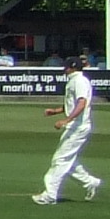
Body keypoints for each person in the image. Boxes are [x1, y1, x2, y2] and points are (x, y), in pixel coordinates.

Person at [36, 51, 99, 204]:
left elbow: (82, 103)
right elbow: (72, 104)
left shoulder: (79, 81)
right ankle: (90, 182)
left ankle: (50, 195)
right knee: (67, 160)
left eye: (66, 67)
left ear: (72, 67)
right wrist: (56, 111)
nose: (64, 69)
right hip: (74, 125)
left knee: (60, 160)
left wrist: (66, 120)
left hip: (78, 126)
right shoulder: (73, 80)